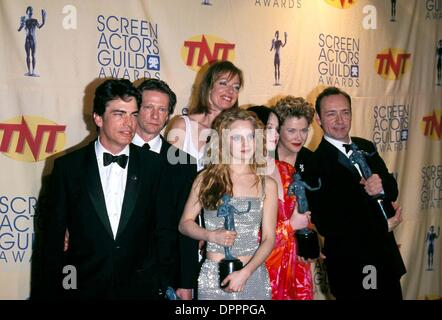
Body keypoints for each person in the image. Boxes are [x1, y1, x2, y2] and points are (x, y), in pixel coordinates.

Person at [38, 79, 174, 299]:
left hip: (140, 290)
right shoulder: (68, 168)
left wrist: (160, 280)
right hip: (82, 288)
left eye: (133, 114)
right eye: (120, 114)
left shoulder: (155, 166)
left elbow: (164, 230)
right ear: (98, 118)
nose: (129, 123)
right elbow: (53, 240)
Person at [307, 86, 406, 299]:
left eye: (345, 112)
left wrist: (381, 186)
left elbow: (392, 190)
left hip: (386, 258)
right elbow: (327, 223)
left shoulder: (366, 146)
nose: (340, 120)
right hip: (353, 263)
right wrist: (383, 226)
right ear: (318, 119)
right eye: (331, 114)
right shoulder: (315, 163)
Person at [179, 108, 277, 300]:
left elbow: (269, 238)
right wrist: (210, 235)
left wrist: (246, 273)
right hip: (213, 278)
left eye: (250, 136)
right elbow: (184, 224)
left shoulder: (267, 184)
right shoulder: (205, 179)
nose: (245, 144)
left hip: (253, 276)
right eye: (237, 137)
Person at [132, 78, 199, 300]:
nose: (155, 115)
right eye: (148, 107)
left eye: (162, 109)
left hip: (166, 276)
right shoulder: (112, 153)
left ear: (169, 114)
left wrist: (186, 282)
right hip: (119, 274)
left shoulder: (183, 163)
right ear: (135, 109)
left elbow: (188, 227)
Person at [248, 104, 313, 300]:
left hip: (296, 272)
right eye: (269, 127)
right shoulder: (244, 177)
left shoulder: (287, 171)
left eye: (277, 129)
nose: (275, 134)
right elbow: (246, 237)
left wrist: (305, 238)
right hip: (262, 273)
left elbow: (301, 218)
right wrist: (290, 226)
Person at [166, 60, 244, 172]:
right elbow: (171, 174)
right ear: (208, 87)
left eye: (236, 87)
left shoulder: (237, 131)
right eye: (223, 83)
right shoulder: (183, 126)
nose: (230, 91)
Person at [18, 6, 46, 76]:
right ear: (27, 12)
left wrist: (43, 20)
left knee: (33, 55)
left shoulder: (34, 20)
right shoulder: (24, 20)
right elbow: (19, 29)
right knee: (28, 55)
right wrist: (21, 24)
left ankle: (33, 71)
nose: (31, 12)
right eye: (29, 10)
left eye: (31, 11)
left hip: (33, 40)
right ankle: (29, 71)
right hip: (27, 40)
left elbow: (39, 26)